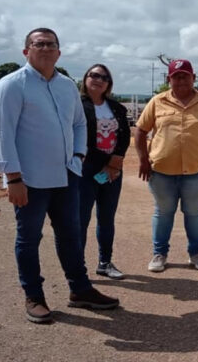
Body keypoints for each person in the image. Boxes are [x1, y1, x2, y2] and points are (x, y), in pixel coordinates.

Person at [0, 27, 119, 324]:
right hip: (29, 180)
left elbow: (78, 124)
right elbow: (2, 135)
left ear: (59, 52)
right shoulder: (10, 86)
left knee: (71, 235)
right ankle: (34, 296)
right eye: (39, 44)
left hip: (66, 176)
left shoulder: (66, 86)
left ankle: (80, 290)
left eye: (51, 44)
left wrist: (77, 155)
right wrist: (13, 179)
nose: (46, 49)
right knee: (29, 238)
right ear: (26, 51)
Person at [134, 59, 198, 273]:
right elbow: (140, 131)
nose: (181, 79)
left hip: (197, 172)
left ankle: (196, 253)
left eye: (185, 75)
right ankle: (159, 254)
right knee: (163, 213)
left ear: (194, 78)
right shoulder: (157, 102)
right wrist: (143, 160)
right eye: (176, 76)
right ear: (169, 79)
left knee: (194, 213)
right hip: (161, 173)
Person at [78, 64, 130, 280]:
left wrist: (116, 161)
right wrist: (106, 163)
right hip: (85, 169)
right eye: (95, 75)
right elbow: (80, 140)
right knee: (80, 219)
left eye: (104, 77)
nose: (99, 79)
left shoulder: (116, 108)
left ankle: (105, 262)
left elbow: (124, 136)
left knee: (106, 218)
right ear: (86, 78)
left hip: (113, 170)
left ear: (109, 84)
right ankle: (77, 266)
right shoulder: (77, 106)